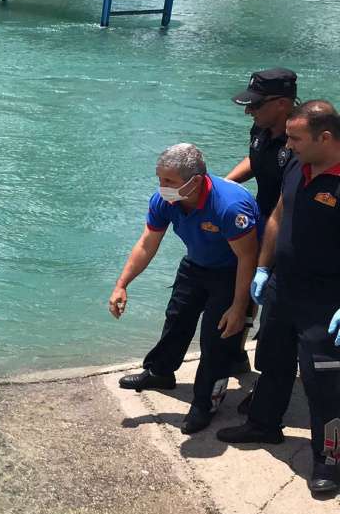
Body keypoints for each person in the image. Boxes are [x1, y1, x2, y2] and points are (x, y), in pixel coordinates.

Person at [216, 101, 340, 495]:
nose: (287, 144)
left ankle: (330, 460)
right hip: (283, 287)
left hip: (327, 299)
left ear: (325, 137)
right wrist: (264, 267)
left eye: (295, 137)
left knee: (325, 386)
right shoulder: (295, 162)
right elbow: (278, 214)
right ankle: (264, 424)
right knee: (272, 360)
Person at [109, 143, 260, 434]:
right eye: (160, 179)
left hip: (231, 271)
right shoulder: (164, 200)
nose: (162, 187)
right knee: (176, 318)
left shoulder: (229, 206)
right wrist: (121, 284)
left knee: (217, 338)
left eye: (169, 181)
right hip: (196, 264)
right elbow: (147, 243)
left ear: (196, 180)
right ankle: (160, 372)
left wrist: (240, 306)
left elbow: (247, 257)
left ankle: (206, 402)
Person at [226, 68, 299, 383]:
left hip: (290, 232)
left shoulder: (304, 139)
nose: (248, 111)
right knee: (243, 289)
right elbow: (255, 159)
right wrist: (222, 186)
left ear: (282, 104)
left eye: (256, 105)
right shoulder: (262, 129)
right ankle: (236, 355)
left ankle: (271, 384)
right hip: (259, 219)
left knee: (276, 309)